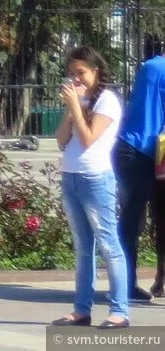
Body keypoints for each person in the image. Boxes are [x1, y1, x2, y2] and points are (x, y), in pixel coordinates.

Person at [58, 43, 134, 328]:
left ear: (96, 71)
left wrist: (77, 106)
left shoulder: (107, 101)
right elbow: (62, 139)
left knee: (109, 245)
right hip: (71, 176)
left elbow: (89, 138)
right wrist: (70, 109)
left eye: (81, 73)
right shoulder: (80, 101)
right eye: (72, 73)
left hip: (96, 178)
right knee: (82, 246)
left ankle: (119, 311)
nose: (76, 79)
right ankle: (81, 310)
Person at [119, 39, 165, 303]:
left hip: (143, 151)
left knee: (133, 220)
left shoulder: (151, 66)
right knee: (132, 221)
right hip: (139, 151)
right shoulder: (158, 68)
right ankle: (125, 284)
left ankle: (129, 282)